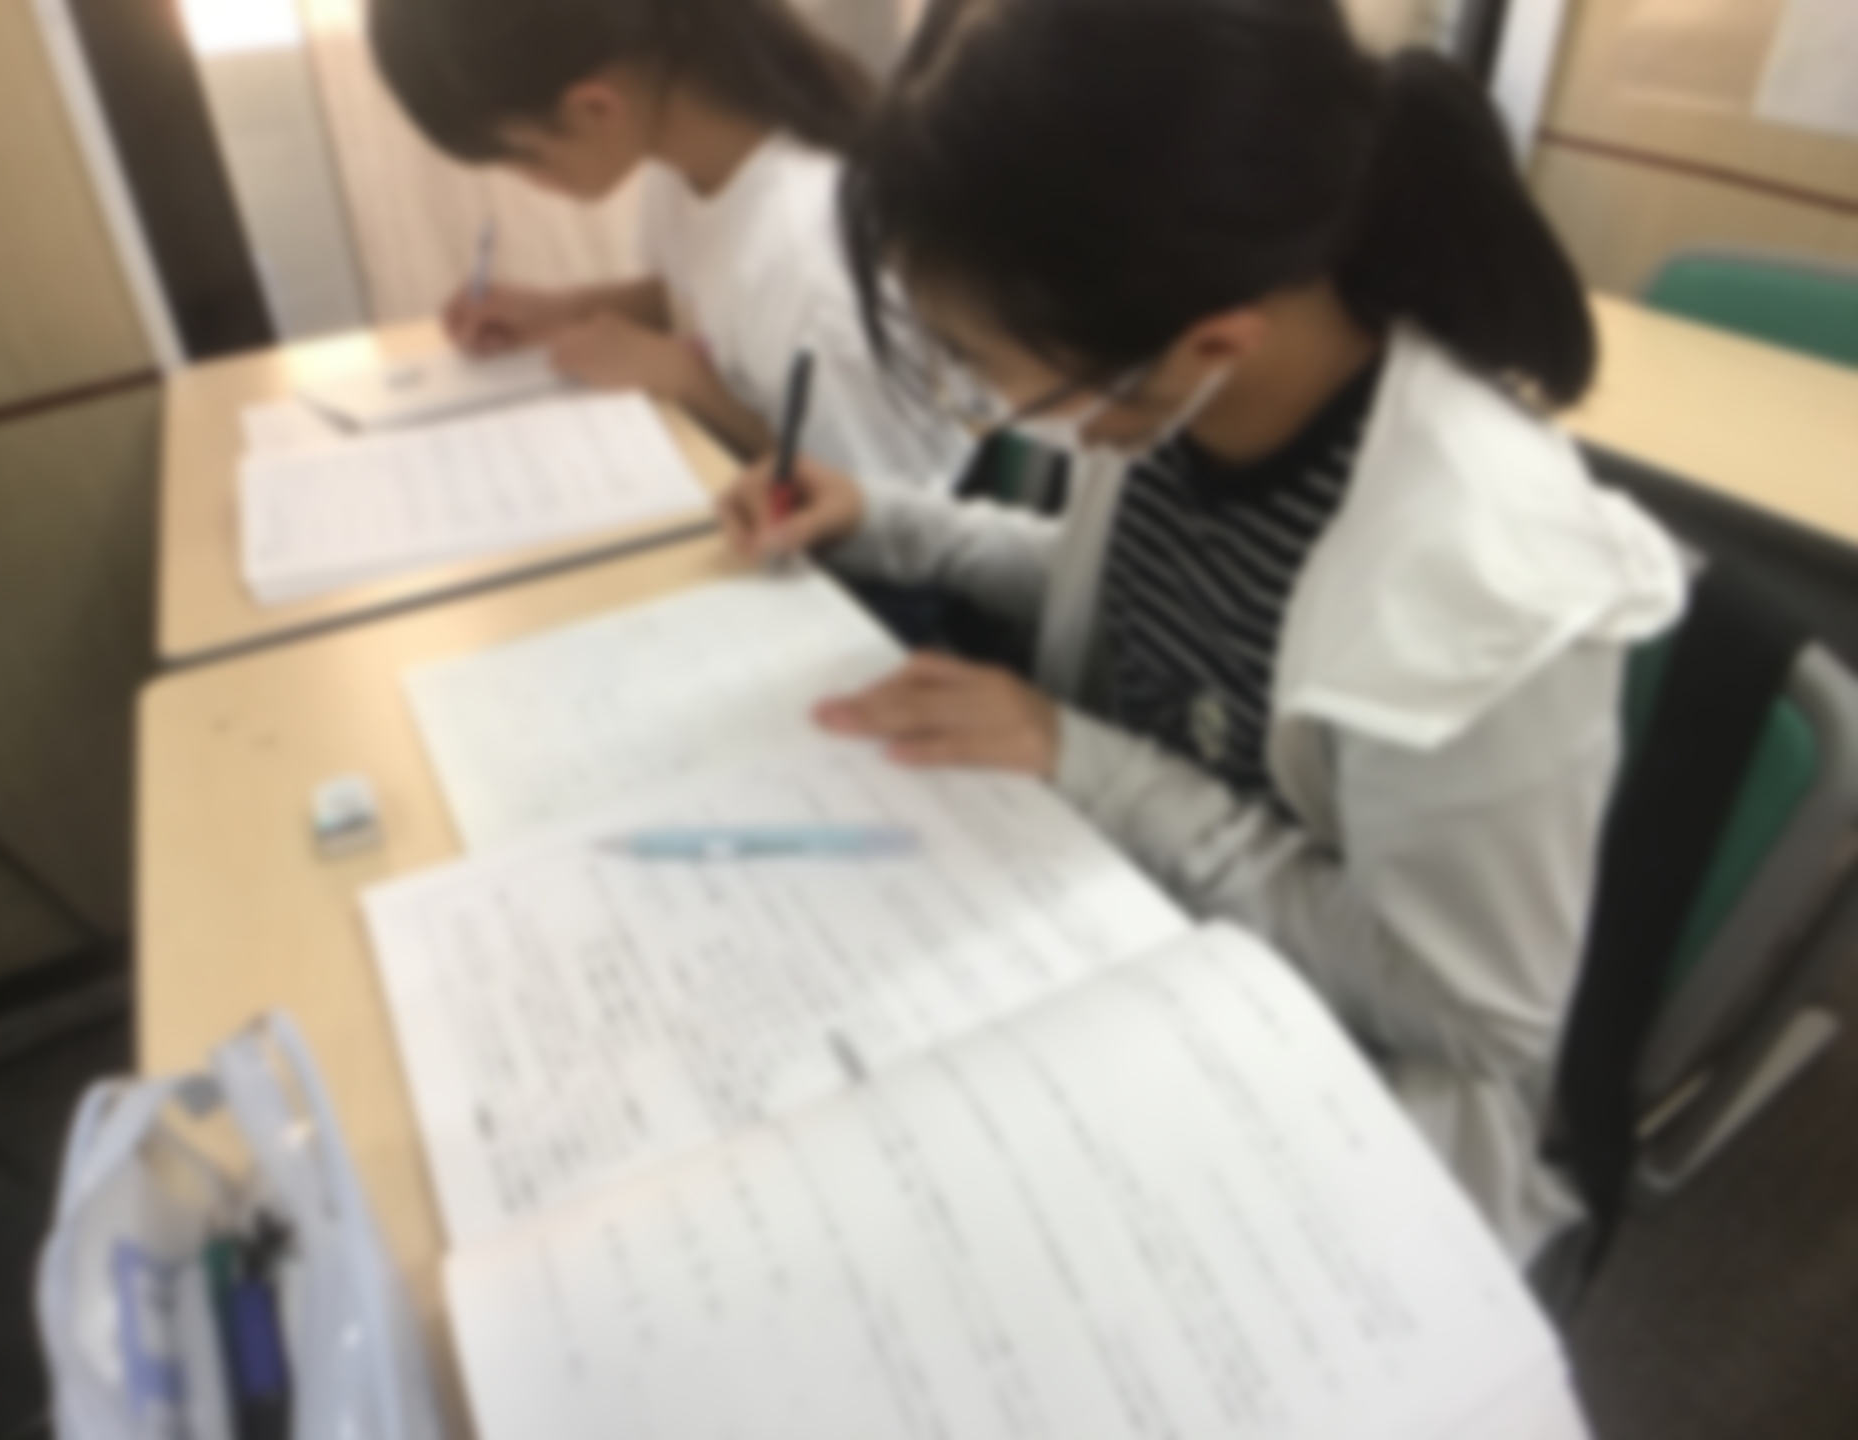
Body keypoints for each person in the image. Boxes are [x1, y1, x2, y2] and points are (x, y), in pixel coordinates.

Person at [720, 0, 1686, 1263]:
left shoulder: (1481, 578)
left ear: (1213, 341)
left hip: (1331, 1091)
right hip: (1113, 925)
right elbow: (1128, 591)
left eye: (982, 366)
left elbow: (1471, 1014)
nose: (981, 401)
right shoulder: (1189, 389)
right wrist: (885, 521)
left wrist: (1087, 761)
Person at [367, 0, 966, 484]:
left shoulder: (805, 254)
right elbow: (695, 294)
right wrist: (563, 310)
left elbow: (867, 497)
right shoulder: (688, 159)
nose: (527, 181)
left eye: (523, 156)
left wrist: (682, 376)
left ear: (595, 108)